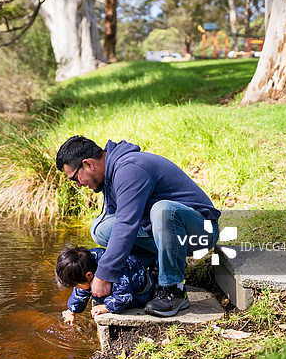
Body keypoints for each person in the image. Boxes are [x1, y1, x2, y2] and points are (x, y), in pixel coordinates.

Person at [55, 136, 220, 317]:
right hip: (166, 231)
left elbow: (126, 224)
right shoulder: (109, 176)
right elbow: (119, 224)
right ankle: (146, 270)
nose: (79, 184)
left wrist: (103, 275)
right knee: (101, 229)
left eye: (75, 178)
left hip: (200, 232)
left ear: (88, 164)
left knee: (163, 211)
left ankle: (173, 289)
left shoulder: (129, 169)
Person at [56, 244, 153, 324]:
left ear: (89, 275)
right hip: (124, 286)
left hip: (141, 294)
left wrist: (106, 307)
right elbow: (81, 291)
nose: (77, 288)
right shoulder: (87, 261)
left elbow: (124, 298)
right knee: (86, 287)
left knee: (91, 290)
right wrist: (72, 311)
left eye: (77, 285)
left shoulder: (117, 272)